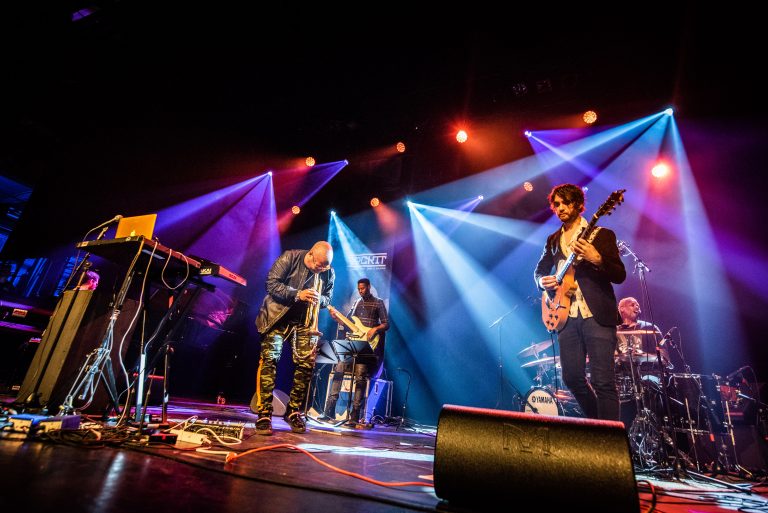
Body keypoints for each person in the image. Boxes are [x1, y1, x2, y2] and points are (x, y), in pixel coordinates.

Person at [534, 183, 626, 421]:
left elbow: (619, 274)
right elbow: (539, 271)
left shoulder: (602, 235)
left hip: (597, 315)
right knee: (572, 378)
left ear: (577, 204)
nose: (560, 208)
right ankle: (599, 427)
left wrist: (597, 259)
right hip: (566, 315)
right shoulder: (553, 240)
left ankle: (609, 445)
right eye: (556, 204)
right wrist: (543, 283)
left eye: (565, 203)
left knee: (603, 381)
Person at [251, 241, 335, 435]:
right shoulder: (290, 256)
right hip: (277, 318)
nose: (321, 269)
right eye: (319, 265)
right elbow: (271, 284)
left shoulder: (328, 271)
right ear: (311, 254)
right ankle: (264, 413)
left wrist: (319, 299)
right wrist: (298, 294)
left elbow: (328, 298)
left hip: (304, 322)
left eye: (325, 266)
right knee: (270, 361)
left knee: (307, 366)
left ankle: (294, 411)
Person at [321, 277, 389, 427]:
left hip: (366, 345)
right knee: (338, 370)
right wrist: (338, 319)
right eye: (359, 289)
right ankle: (328, 412)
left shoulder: (378, 302)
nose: (360, 291)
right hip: (353, 344)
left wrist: (374, 329)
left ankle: (354, 417)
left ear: (369, 287)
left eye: (363, 288)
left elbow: (386, 324)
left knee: (360, 379)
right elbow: (348, 323)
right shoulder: (356, 302)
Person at [617, 296, 671, 370]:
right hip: (621, 374)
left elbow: (664, 358)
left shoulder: (650, 328)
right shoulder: (614, 330)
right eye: (632, 305)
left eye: (638, 306)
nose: (637, 307)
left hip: (647, 374)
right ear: (622, 308)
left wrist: (643, 356)